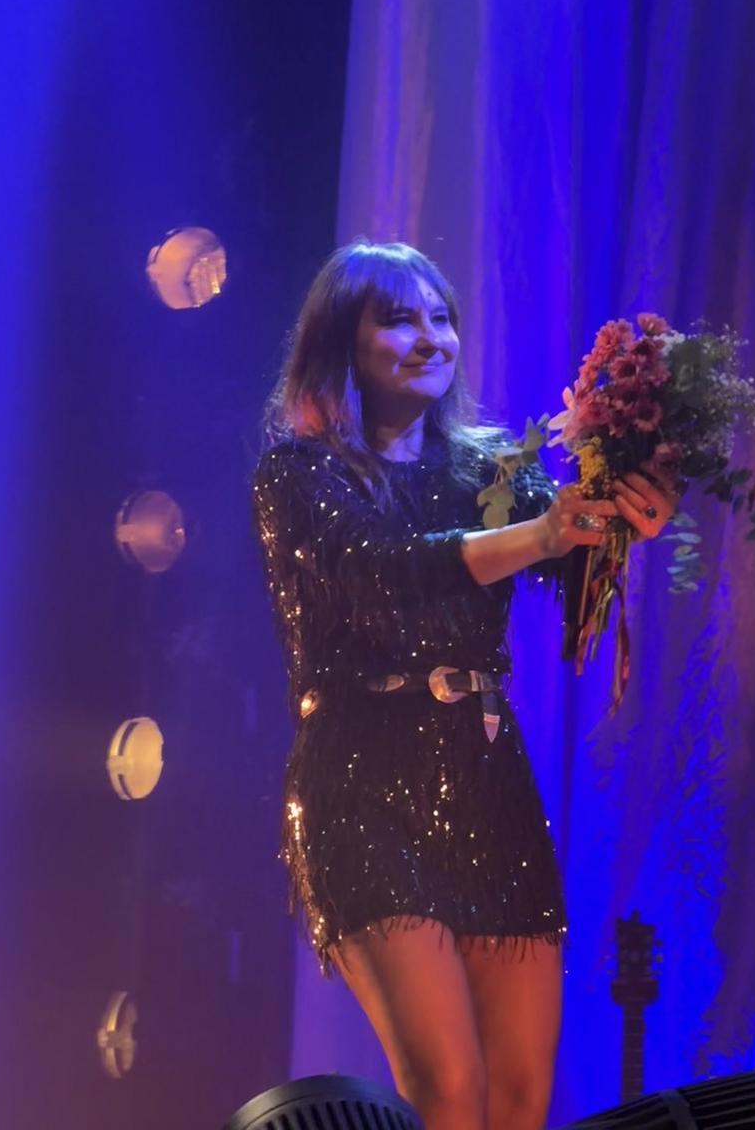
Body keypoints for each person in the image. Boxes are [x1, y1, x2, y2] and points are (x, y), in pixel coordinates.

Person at [252, 241, 677, 1130]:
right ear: (344, 340)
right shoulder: (299, 475)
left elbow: (577, 596)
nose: (429, 337)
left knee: (520, 1096)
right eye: (399, 317)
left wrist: (626, 520)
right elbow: (379, 575)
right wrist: (543, 535)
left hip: (486, 781)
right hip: (362, 783)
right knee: (448, 1087)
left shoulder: (490, 466)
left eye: (441, 316)